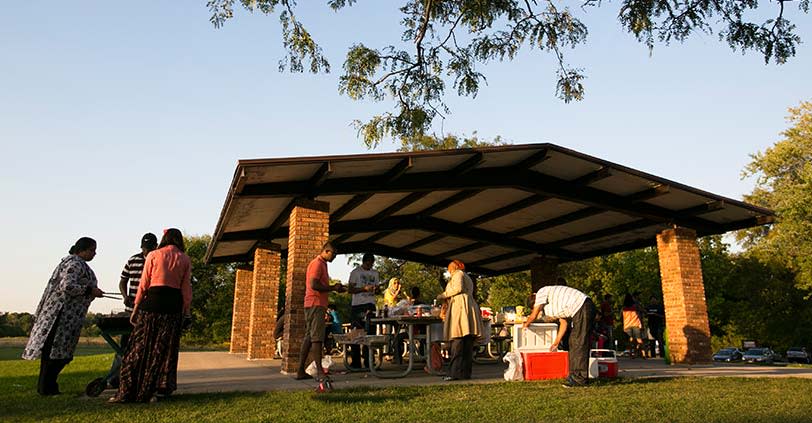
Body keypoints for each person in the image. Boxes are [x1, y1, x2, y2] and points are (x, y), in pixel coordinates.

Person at [110, 228, 192, 403]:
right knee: (165, 350)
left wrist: (136, 308)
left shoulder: (153, 255)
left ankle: (128, 390)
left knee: (138, 347)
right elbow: (186, 289)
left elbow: (144, 284)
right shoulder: (185, 259)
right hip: (173, 307)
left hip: (152, 304)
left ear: (164, 239)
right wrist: (187, 311)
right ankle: (159, 390)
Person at [23, 237, 104, 395]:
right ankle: (47, 388)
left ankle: (48, 387)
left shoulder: (72, 263)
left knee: (58, 354)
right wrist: (89, 290)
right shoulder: (74, 263)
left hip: (67, 316)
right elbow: (67, 286)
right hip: (60, 316)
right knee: (55, 354)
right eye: (92, 250)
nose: (94, 253)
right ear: (82, 250)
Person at [105, 232, 158, 388]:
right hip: (130, 310)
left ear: (155, 247)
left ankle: (141, 379)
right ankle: (114, 379)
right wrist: (125, 295)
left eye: (149, 248)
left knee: (146, 346)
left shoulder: (157, 261)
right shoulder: (133, 260)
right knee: (123, 347)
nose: (146, 251)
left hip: (148, 310)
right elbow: (123, 280)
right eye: (144, 248)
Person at [523, 285, 596, 388]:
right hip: (581, 308)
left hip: (582, 305)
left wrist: (526, 324)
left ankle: (579, 379)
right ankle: (574, 376)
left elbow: (534, 315)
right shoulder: (553, 305)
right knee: (573, 342)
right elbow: (563, 323)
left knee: (578, 343)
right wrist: (556, 342)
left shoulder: (541, 292)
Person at [295, 242, 345, 380]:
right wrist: (333, 288)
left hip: (315, 304)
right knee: (317, 338)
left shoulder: (322, 264)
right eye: (334, 254)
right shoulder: (317, 263)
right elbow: (314, 284)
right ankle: (320, 373)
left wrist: (336, 288)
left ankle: (300, 371)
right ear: (327, 251)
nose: (334, 257)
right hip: (315, 304)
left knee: (309, 338)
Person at [436, 260, 484, 381]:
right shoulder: (465, 276)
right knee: (466, 343)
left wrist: (443, 295)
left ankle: (455, 373)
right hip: (466, 306)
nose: (449, 271)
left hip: (461, 307)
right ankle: (465, 372)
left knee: (458, 340)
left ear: (455, 267)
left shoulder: (458, 274)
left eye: (449, 268)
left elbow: (458, 288)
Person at [346, 253, 379, 369]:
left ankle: (369, 360)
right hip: (358, 305)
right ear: (364, 262)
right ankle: (356, 361)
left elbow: (377, 288)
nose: (370, 266)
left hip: (370, 304)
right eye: (368, 263)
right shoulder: (355, 272)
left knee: (370, 333)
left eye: (372, 264)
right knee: (357, 333)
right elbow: (350, 289)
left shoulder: (375, 273)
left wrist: (376, 289)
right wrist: (363, 289)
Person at [622, 293, 645, 359]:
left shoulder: (624, 308)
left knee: (631, 339)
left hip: (627, 325)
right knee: (639, 339)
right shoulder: (635, 306)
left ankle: (631, 353)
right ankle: (643, 354)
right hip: (635, 323)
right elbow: (642, 311)